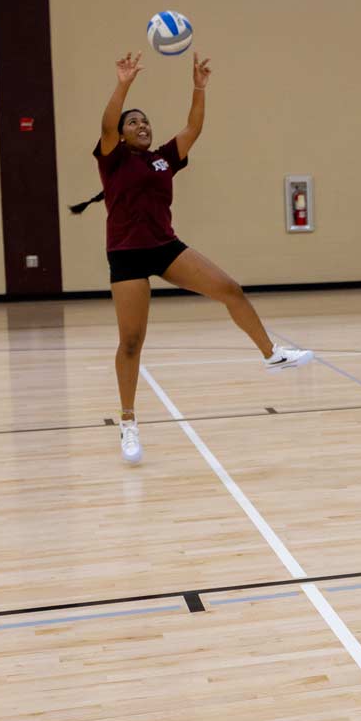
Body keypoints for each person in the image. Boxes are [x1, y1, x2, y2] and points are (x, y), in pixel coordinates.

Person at [74, 52, 312, 465]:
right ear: (122, 133)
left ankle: (271, 353)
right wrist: (123, 83)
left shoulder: (164, 157)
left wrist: (199, 87)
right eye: (134, 122)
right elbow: (106, 123)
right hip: (126, 254)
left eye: (145, 121)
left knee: (230, 290)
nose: (141, 125)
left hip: (165, 247)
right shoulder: (112, 158)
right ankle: (128, 423)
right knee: (131, 342)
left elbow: (193, 127)